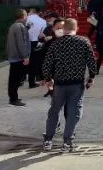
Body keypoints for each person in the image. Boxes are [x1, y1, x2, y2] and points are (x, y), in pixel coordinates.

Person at [39, 18, 98, 152]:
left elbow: (47, 64)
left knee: (54, 111)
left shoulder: (56, 44)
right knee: (73, 112)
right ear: (76, 29)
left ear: (64, 29)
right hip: (76, 84)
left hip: (59, 85)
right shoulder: (84, 42)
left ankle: (48, 140)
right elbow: (91, 62)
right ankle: (67, 142)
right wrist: (91, 78)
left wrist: (48, 79)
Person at [5, 10, 31, 106]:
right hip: (18, 56)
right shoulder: (20, 27)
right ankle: (13, 99)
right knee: (15, 79)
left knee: (13, 78)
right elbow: (22, 42)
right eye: (26, 15)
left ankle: (13, 97)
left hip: (13, 55)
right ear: (23, 16)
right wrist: (25, 56)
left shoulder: (14, 26)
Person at [25, 8, 47, 88]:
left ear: (31, 11)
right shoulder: (43, 21)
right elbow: (41, 35)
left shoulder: (26, 19)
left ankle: (21, 79)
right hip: (36, 42)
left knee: (24, 61)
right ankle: (33, 81)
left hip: (25, 42)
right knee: (35, 62)